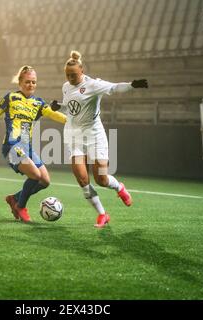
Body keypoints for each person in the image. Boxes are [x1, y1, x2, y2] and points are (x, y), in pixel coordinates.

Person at [51, 51, 149, 228]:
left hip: (94, 134)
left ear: (82, 71)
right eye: (67, 75)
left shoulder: (93, 85)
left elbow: (115, 87)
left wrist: (132, 85)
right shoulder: (66, 86)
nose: (70, 78)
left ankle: (119, 188)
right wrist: (60, 107)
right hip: (73, 135)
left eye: (73, 75)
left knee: (101, 179)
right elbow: (72, 110)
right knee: (82, 179)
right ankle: (102, 214)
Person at [0, 65, 66, 223]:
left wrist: (74, 121)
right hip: (12, 146)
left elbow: (55, 115)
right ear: (20, 82)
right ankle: (20, 207)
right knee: (35, 175)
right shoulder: (11, 98)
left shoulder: (38, 103)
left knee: (45, 181)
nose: (31, 85)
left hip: (27, 148)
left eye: (34, 82)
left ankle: (14, 199)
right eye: (28, 81)